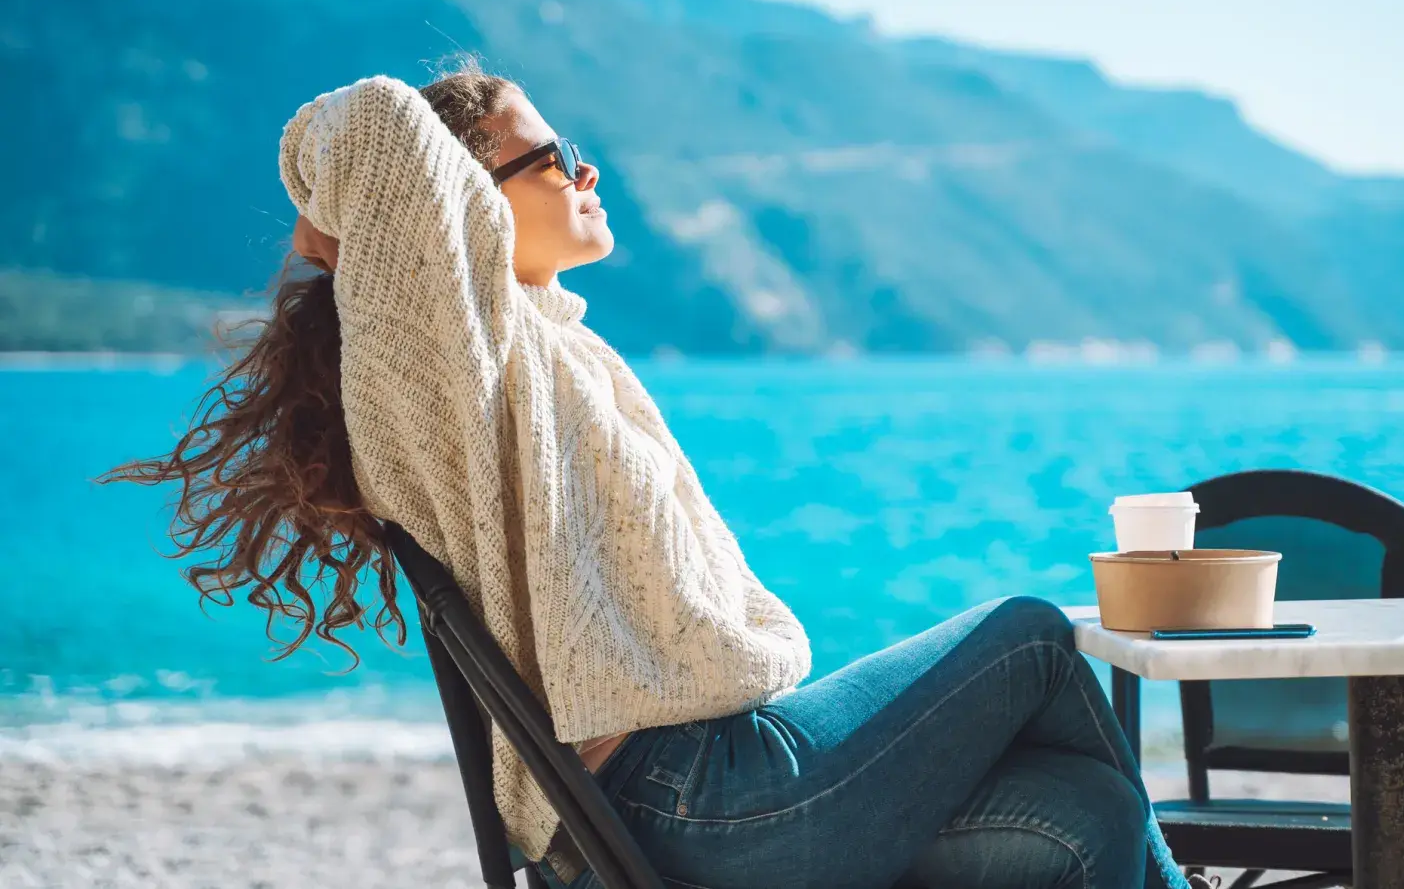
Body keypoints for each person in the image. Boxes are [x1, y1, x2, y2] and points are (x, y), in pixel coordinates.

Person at [107, 67, 1197, 889]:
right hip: (693, 799)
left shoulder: (541, 349)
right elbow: (386, 120)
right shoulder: (460, 363)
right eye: (554, 153)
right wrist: (331, 206)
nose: (585, 172)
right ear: (460, 207)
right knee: (1035, 635)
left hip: (704, 791)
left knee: (1089, 808)